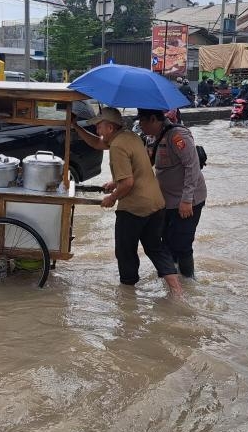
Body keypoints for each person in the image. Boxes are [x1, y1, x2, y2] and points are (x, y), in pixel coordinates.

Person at [74, 107, 183, 295]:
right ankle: (176, 290)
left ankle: (128, 293)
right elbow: (98, 145)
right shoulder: (129, 136)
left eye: (99, 127)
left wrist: (112, 197)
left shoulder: (117, 146)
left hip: (135, 206)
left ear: (109, 128)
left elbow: (128, 183)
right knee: (155, 248)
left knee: (125, 252)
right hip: (156, 203)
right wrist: (75, 127)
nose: (97, 131)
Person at [137, 108, 207, 279]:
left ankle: (189, 281)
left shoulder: (177, 136)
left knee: (182, 244)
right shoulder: (151, 138)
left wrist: (186, 200)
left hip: (188, 201)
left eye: (142, 121)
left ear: (153, 119)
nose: (140, 125)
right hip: (166, 201)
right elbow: (149, 166)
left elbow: (192, 166)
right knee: (166, 242)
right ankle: (172, 277)